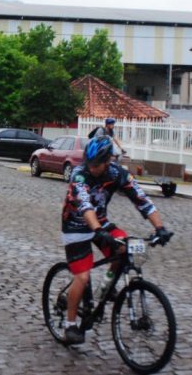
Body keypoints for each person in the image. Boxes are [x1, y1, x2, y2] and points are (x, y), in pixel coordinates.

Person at [61, 135, 173, 345]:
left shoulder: (117, 174)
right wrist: (97, 229)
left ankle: (106, 286)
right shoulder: (79, 174)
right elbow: (85, 205)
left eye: (98, 165)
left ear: (108, 162)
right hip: (76, 226)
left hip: (101, 223)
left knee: (124, 249)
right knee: (83, 277)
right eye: (90, 164)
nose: (93, 168)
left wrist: (159, 227)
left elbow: (141, 199)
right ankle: (70, 325)